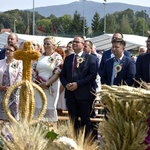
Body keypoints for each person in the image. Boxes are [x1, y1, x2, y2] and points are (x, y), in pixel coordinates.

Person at [60, 35, 97, 138]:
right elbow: (62, 75)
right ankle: (75, 140)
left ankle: (87, 142)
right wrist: (66, 84)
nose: (74, 44)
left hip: (84, 95)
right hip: (70, 94)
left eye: (77, 42)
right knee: (73, 120)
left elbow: (92, 75)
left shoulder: (91, 59)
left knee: (85, 119)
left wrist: (78, 84)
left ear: (83, 44)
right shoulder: (68, 59)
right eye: (73, 42)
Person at [33, 36, 63, 122]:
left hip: (51, 86)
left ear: (54, 46)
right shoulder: (39, 57)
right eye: (44, 44)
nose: (46, 46)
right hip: (38, 86)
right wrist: (38, 83)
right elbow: (34, 70)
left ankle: (51, 130)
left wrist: (47, 83)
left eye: (48, 44)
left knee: (50, 107)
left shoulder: (57, 57)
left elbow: (58, 72)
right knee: (39, 106)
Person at [0, 44, 22, 121]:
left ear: (15, 52)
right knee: (3, 115)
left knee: (14, 115)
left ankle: (13, 131)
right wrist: (1, 87)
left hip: (14, 92)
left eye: (10, 50)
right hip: (2, 91)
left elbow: (20, 76)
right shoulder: (0, 62)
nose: (8, 51)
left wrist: (12, 87)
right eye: (7, 50)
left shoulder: (19, 63)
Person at [135, 35, 150, 149]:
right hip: (143, 94)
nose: (148, 43)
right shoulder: (141, 58)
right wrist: (144, 85)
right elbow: (137, 75)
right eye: (147, 41)